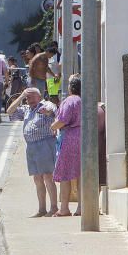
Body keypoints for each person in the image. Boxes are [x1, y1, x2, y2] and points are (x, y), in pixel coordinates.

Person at [7, 87, 58, 217]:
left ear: (38, 96)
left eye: (30, 96)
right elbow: (10, 111)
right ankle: (42, 209)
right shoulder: (26, 109)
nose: (28, 99)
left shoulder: (46, 104)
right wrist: (20, 97)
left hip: (44, 143)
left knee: (47, 176)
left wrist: (47, 113)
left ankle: (53, 207)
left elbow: (54, 113)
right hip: (31, 146)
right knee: (37, 178)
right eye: (27, 97)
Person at [51, 75, 82, 217]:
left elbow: (62, 120)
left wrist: (52, 126)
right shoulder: (85, 100)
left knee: (65, 174)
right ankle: (82, 207)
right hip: (84, 137)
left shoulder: (69, 101)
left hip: (70, 138)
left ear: (71, 88)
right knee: (81, 174)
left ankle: (64, 208)